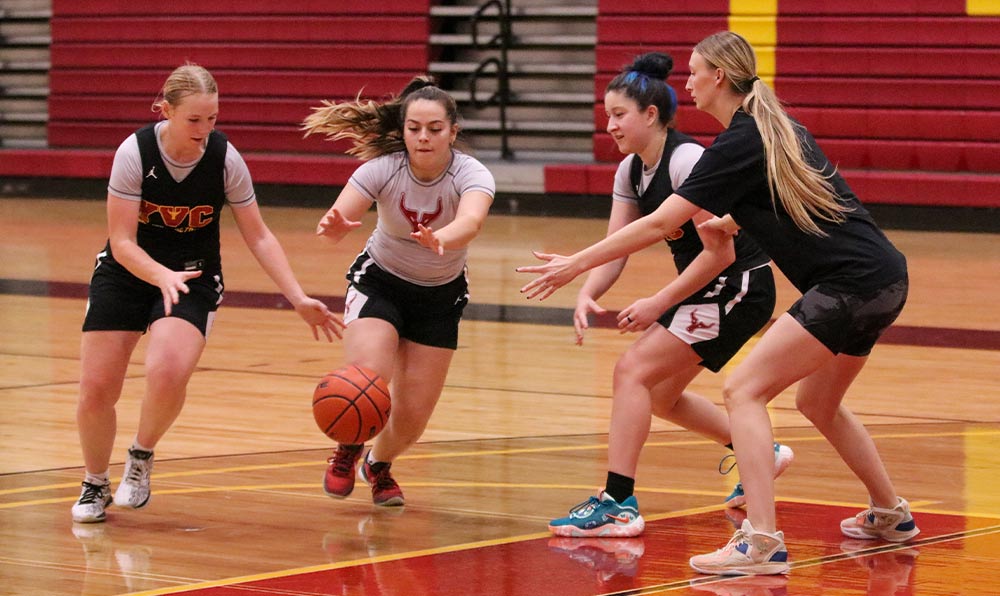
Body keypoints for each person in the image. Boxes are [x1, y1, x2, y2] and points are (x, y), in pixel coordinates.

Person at [518, 31, 919, 575]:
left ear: (719, 79)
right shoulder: (773, 131)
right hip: (886, 276)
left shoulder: (739, 139)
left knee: (742, 390)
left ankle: (760, 542)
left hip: (848, 284)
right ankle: (891, 514)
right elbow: (777, 200)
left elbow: (662, 223)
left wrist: (574, 264)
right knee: (817, 403)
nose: (687, 82)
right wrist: (733, 220)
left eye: (694, 72)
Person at [71, 64, 344, 524]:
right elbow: (121, 241)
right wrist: (158, 274)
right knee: (96, 389)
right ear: (166, 111)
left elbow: (258, 235)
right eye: (194, 120)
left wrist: (298, 297)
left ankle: (141, 456)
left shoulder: (225, 159)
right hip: (128, 271)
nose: (205, 130)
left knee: (167, 369)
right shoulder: (134, 152)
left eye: (213, 119)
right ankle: (94, 481)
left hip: (193, 277)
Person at [546, 52, 792, 538]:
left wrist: (659, 302)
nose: (610, 125)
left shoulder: (687, 161)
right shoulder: (630, 172)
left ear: (651, 115)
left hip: (738, 282)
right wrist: (587, 291)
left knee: (632, 371)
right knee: (658, 394)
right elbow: (618, 249)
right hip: (708, 286)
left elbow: (720, 255)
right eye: (606, 115)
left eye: (619, 114)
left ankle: (618, 502)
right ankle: (760, 451)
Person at [301, 76, 495, 507]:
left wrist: (445, 236)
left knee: (411, 420)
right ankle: (348, 446)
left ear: (453, 132)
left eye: (434, 129)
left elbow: (473, 221)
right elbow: (339, 218)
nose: (423, 137)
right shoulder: (382, 169)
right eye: (414, 128)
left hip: (439, 297)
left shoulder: (471, 173)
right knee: (367, 379)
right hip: (381, 281)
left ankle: (378, 464)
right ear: (403, 129)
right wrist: (333, 226)